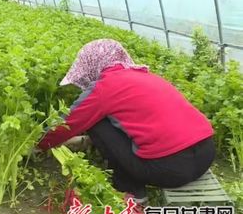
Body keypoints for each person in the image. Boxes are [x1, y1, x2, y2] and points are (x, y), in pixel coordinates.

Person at [37, 39, 215, 204]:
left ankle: (130, 188)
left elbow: (68, 122)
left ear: (92, 64)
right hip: (206, 155)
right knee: (113, 117)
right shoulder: (146, 76)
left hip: (169, 171)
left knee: (95, 121)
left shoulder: (104, 87)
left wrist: (37, 143)